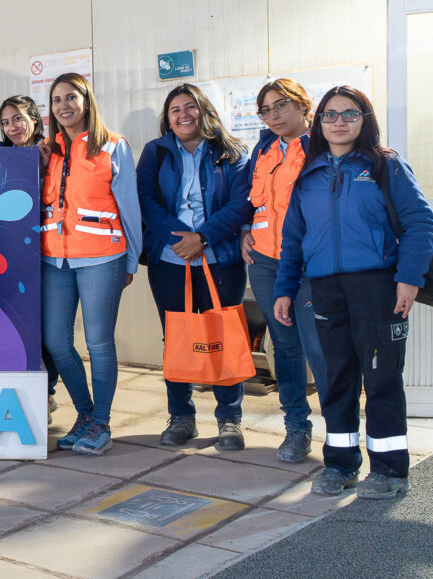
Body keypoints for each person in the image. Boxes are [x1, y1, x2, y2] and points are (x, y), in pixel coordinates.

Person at [274, 86, 433, 499]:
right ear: (319, 122)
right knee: (337, 379)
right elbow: (292, 240)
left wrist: (409, 277)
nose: (339, 121)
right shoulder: (308, 176)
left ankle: (390, 471)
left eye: (349, 113)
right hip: (324, 289)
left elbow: (419, 223)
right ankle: (341, 465)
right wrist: (285, 290)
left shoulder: (386, 167)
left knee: (381, 380)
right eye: (330, 115)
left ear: (365, 119)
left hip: (378, 287)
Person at [138, 83, 251, 451]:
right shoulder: (155, 152)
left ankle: (229, 420)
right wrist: (180, 239)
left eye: (190, 107)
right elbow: (146, 200)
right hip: (171, 260)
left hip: (220, 259)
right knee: (177, 337)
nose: (183, 115)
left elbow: (240, 205)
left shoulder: (231, 152)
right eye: (175, 109)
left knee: (224, 335)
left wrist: (201, 238)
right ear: (167, 118)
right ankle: (182, 416)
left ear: (204, 110)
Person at [39, 75, 141, 454]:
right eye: (56, 100)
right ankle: (84, 414)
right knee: (56, 342)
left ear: (87, 100)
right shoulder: (48, 151)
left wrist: (131, 260)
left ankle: (101, 423)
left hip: (102, 257)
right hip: (55, 259)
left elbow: (130, 210)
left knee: (98, 342)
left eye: (71, 97)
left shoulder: (113, 147)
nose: (63, 105)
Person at [242, 79, 327, 464]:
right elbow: (255, 201)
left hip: (308, 264)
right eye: (266, 109)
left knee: (320, 348)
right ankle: (296, 427)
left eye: (281, 106)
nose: (274, 115)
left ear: (303, 105)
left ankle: (340, 430)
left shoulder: (322, 146)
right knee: (286, 345)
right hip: (264, 262)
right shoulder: (263, 148)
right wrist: (245, 231)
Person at [0, 95, 59, 421]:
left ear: (34, 118)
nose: (12, 127)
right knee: (18, 326)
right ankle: (20, 394)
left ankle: (46, 394)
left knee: (47, 329)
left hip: (50, 252)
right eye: (6, 122)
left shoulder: (53, 152)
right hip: (13, 255)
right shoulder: (0, 155)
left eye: (17, 119)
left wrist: (44, 167)